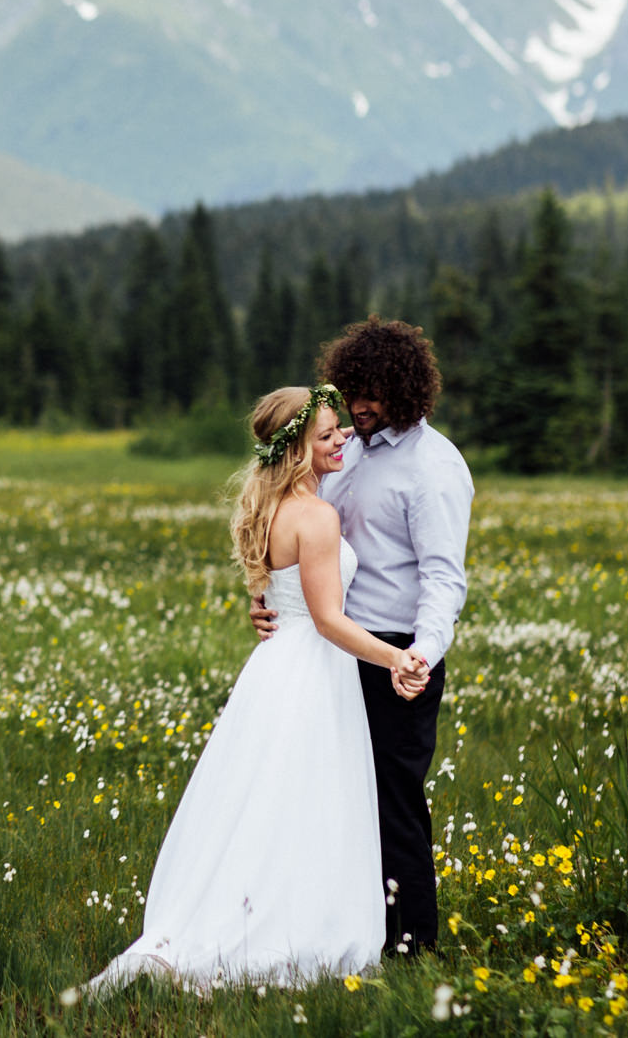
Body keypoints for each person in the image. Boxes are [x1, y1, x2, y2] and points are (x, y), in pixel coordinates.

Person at [87, 383, 430, 995]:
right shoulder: (318, 516)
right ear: (296, 449)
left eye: (339, 430)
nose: (342, 438)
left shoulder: (270, 509)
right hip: (315, 670)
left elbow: (279, 590)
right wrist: (395, 659)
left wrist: (263, 602)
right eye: (326, 435)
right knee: (309, 802)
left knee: (271, 800)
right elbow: (328, 619)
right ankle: (292, 927)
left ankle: (251, 906)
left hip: (275, 670)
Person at [250, 316, 472, 960]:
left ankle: (411, 942)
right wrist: (273, 605)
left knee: (394, 798)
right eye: (352, 392)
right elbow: (294, 534)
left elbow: (443, 579)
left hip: (397, 651)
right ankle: (339, 929)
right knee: (333, 793)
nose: (358, 408)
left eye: (372, 394)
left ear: (405, 391)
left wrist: (420, 657)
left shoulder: (435, 468)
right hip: (329, 649)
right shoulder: (344, 453)